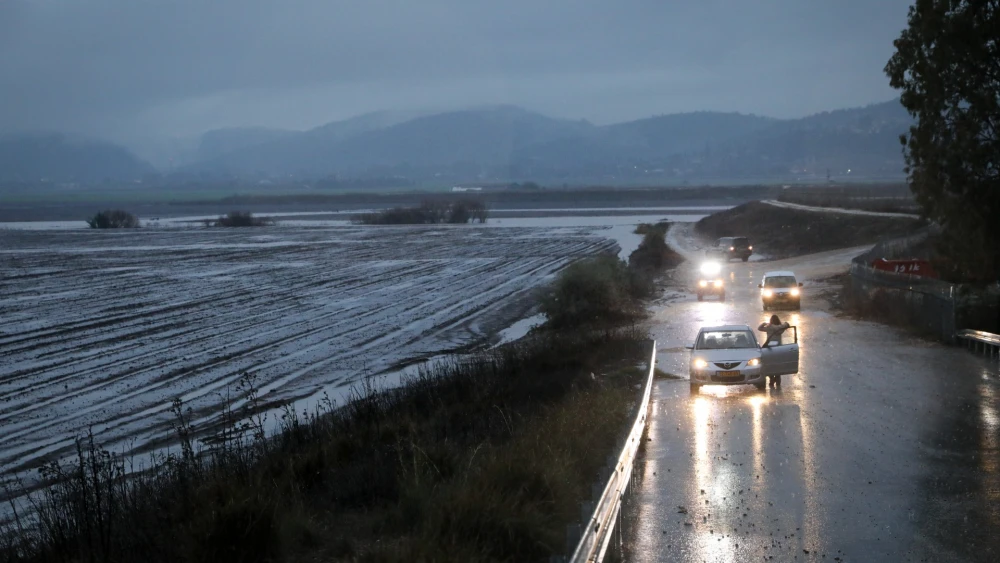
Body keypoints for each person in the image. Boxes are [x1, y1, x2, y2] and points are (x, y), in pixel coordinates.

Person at [758, 315, 790, 388]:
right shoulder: (781, 328)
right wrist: (785, 324)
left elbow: (759, 328)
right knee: (778, 365)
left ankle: (772, 379)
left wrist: (765, 323)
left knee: (770, 365)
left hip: (770, 348)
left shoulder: (769, 327)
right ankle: (777, 380)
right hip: (778, 349)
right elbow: (781, 326)